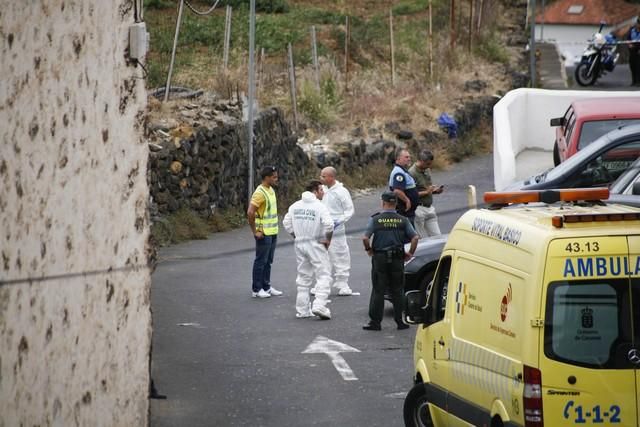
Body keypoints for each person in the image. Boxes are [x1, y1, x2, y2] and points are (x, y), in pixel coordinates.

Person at [362, 191, 419, 331]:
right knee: (398, 290)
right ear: (395, 203)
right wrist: (410, 253)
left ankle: (375, 322)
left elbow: (365, 238)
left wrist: (369, 249)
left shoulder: (376, 219)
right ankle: (400, 321)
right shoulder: (403, 220)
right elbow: (415, 238)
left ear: (383, 203)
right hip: (397, 258)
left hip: (380, 258)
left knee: (378, 290)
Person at [283, 180, 334, 319]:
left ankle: (302, 310)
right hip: (316, 243)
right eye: (321, 190)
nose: (323, 192)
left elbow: (286, 223)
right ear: (315, 191)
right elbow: (329, 225)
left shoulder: (295, 206)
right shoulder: (320, 206)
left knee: (303, 277)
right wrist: (327, 240)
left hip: (300, 243)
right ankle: (319, 305)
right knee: (324, 275)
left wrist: (296, 236)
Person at [247, 166, 283, 299]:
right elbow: (250, 212)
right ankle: (256, 289)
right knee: (260, 261)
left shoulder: (271, 190)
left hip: (272, 231)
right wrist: (255, 231)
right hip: (263, 233)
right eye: (274, 177)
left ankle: (266, 286)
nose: (276, 179)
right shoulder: (260, 193)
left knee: (268, 261)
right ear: (266, 177)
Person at [319, 166, 355, 296]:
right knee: (321, 255)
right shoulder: (321, 190)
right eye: (321, 175)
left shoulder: (341, 191)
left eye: (324, 176)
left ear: (331, 177)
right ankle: (322, 283)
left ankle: (343, 283)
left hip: (337, 229)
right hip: (322, 228)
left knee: (340, 253)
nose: (321, 178)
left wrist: (339, 221)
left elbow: (349, 210)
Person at [408, 149, 443, 238]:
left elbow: (427, 188)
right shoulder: (411, 173)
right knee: (419, 239)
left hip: (429, 208)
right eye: (427, 164)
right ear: (421, 161)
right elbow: (411, 194)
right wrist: (427, 192)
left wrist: (435, 191)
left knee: (438, 237)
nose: (429, 166)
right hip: (418, 209)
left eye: (430, 163)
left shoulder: (427, 170)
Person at [388, 148, 419, 225]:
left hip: (409, 212)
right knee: (410, 235)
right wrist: (407, 200)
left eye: (409, 157)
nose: (409, 159)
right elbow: (397, 191)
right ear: (398, 158)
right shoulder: (399, 172)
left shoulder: (403, 170)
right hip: (404, 212)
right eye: (406, 157)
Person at [628, 17, 640, 86]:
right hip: (632, 49)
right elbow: (628, 39)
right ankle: (634, 81)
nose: (637, 25)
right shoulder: (632, 30)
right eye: (637, 23)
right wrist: (629, 44)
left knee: (638, 66)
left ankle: (638, 81)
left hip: (639, 49)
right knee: (632, 65)